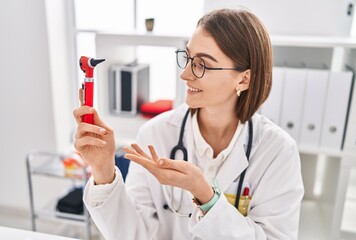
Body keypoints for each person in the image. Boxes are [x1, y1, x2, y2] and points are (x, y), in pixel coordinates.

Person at [73, 8, 304, 240]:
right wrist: (103, 170)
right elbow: (132, 235)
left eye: (202, 64)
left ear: (243, 79)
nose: (184, 74)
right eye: (188, 58)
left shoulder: (277, 152)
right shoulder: (155, 133)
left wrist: (206, 197)